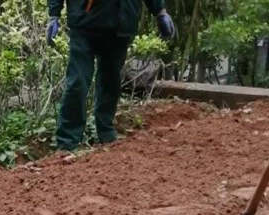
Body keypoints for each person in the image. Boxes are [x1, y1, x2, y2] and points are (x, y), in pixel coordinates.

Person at [46, 0, 175, 151]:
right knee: (78, 82)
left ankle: (106, 133)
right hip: (84, 23)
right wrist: (53, 15)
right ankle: (67, 142)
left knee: (111, 82)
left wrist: (160, 11)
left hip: (121, 23)